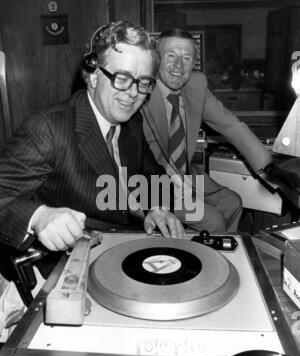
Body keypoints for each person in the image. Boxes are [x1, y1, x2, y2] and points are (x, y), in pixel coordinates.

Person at [0, 21, 185, 253]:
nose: (133, 93)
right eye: (122, 77)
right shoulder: (47, 128)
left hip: (128, 241)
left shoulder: (132, 122)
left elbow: (153, 175)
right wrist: (39, 216)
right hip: (73, 257)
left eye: (143, 82)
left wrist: (157, 207)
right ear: (95, 76)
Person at [141, 28, 300, 233]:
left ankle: (221, 254)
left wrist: (268, 167)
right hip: (151, 182)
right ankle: (208, 261)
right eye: (170, 55)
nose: (178, 66)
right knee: (214, 221)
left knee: (233, 204)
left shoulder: (196, 85)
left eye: (186, 57)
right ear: (156, 60)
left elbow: (230, 125)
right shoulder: (141, 88)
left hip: (187, 176)